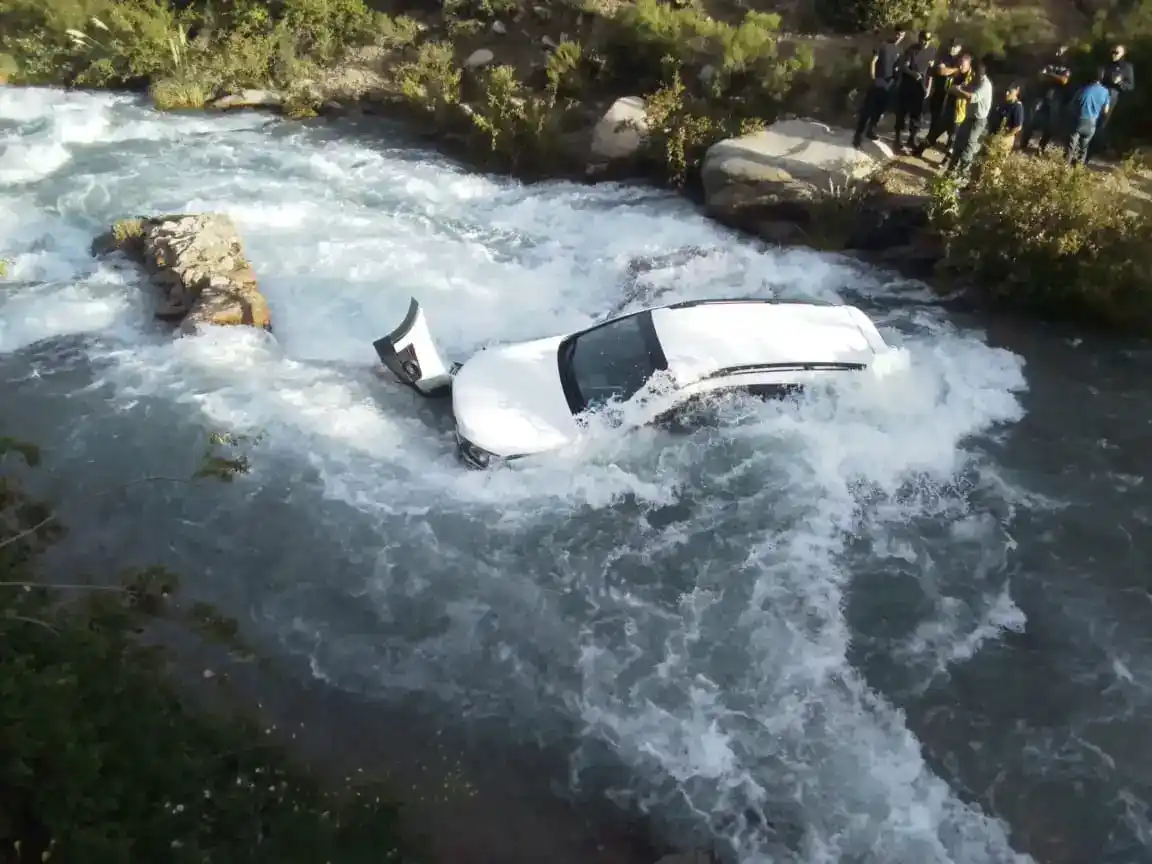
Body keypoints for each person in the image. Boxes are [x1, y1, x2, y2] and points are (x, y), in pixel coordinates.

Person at [853, 25, 908, 148]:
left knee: (880, 110)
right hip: (878, 80)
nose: (899, 36)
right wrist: (872, 77)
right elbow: (873, 61)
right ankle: (858, 134)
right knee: (867, 109)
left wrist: (897, 81)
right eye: (898, 34)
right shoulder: (882, 45)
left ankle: (870, 130)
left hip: (889, 84)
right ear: (894, 33)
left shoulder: (899, 50)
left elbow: (898, 67)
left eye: (902, 35)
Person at [914, 52, 972, 156]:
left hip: (960, 114)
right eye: (959, 64)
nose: (960, 67)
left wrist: (956, 90)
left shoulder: (971, 78)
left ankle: (946, 161)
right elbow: (942, 73)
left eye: (962, 65)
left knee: (952, 139)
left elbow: (969, 95)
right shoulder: (955, 73)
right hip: (948, 110)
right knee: (934, 133)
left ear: (968, 66)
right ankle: (919, 150)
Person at [945, 59, 993, 179]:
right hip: (968, 117)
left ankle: (962, 175)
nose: (972, 76)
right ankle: (950, 172)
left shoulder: (984, 84)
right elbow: (965, 87)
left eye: (975, 73)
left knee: (968, 146)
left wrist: (957, 91)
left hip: (978, 121)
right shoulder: (975, 81)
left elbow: (972, 97)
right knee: (958, 144)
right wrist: (957, 88)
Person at [1020, 44, 1072, 152]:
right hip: (1042, 95)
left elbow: (1064, 80)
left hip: (1056, 98)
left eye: (1060, 52)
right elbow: (1041, 76)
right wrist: (1054, 77)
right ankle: (1024, 143)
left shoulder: (1068, 66)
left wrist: (1050, 75)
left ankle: (1041, 146)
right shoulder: (1048, 62)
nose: (1057, 54)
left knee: (1051, 124)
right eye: (1057, 51)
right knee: (1031, 119)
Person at [892, 29, 937, 152]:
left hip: (921, 88)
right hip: (907, 86)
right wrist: (913, 74)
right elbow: (903, 66)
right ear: (919, 39)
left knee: (917, 115)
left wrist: (928, 87)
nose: (925, 42)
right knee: (902, 113)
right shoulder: (911, 50)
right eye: (923, 39)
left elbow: (931, 71)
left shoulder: (932, 51)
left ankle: (912, 139)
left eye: (928, 40)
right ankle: (897, 139)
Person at [1088, 43, 1135, 157]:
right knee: (1097, 121)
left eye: (1117, 52)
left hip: (1115, 99)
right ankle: (1095, 147)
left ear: (1123, 53)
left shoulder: (1127, 67)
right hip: (1101, 96)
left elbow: (1131, 86)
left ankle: (1104, 148)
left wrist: (1119, 82)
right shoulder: (1106, 65)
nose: (1114, 54)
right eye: (1112, 52)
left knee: (1107, 123)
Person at [1065, 68, 1112, 165]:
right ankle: (1079, 169)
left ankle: (1065, 167)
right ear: (1102, 78)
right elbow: (1106, 110)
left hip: (1079, 119)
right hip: (1092, 122)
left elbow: (1071, 106)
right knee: (1084, 147)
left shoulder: (1083, 89)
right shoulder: (1105, 92)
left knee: (1071, 146)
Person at [926, 37, 963, 140]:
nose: (952, 48)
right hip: (939, 92)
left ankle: (949, 145)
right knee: (935, 119)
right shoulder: (944, 57)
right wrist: (955, 69)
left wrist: (949, 70)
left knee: (951, 123)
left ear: (959, 48)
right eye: (951, 46)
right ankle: (929, 139)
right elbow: (941, 71)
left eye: (954, 46)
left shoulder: (961, 60)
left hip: (953, 97)